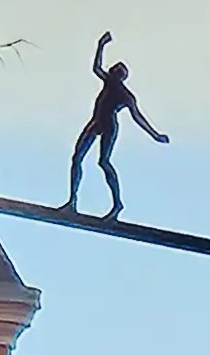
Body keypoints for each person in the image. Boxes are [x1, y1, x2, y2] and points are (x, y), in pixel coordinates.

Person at [67, 32, 168, 218]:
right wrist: (101, 44)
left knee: (103, 162)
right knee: (77, 158)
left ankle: (117, 204)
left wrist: (155, 135)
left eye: (118, 71)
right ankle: (72, 201)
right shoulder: (108, 82)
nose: (114, 72)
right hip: (95, 122)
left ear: (122, 76)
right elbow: (96, 67)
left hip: (108, 126)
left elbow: (138, 118)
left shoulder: (125, 95)